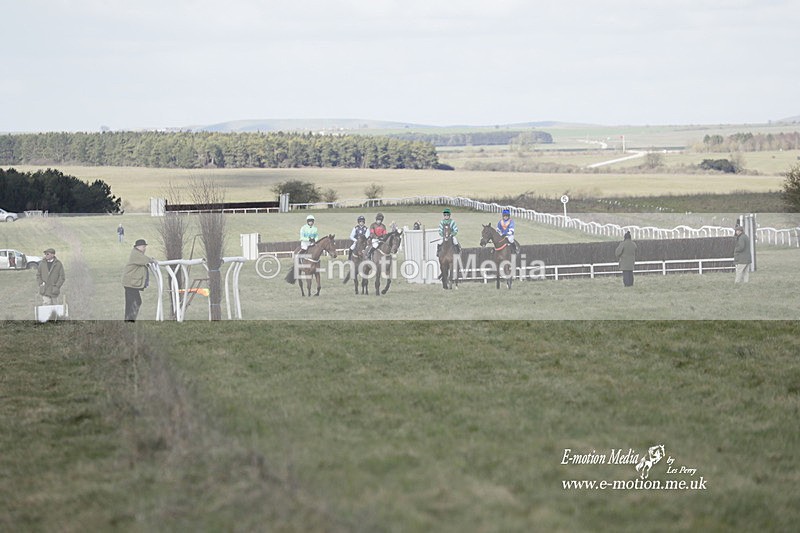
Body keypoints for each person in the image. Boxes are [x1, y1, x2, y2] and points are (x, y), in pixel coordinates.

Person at [122, 239, 155, 322]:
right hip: (130, 283)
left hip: (131, 283)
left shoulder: (137, 254)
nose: (144, 249)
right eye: (143, 247)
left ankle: (129, 321)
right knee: (135, 302)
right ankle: (129, 322)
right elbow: (145, 260)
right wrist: (153, 261)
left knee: (133, 303)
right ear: (138, 247)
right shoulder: (136, 254)